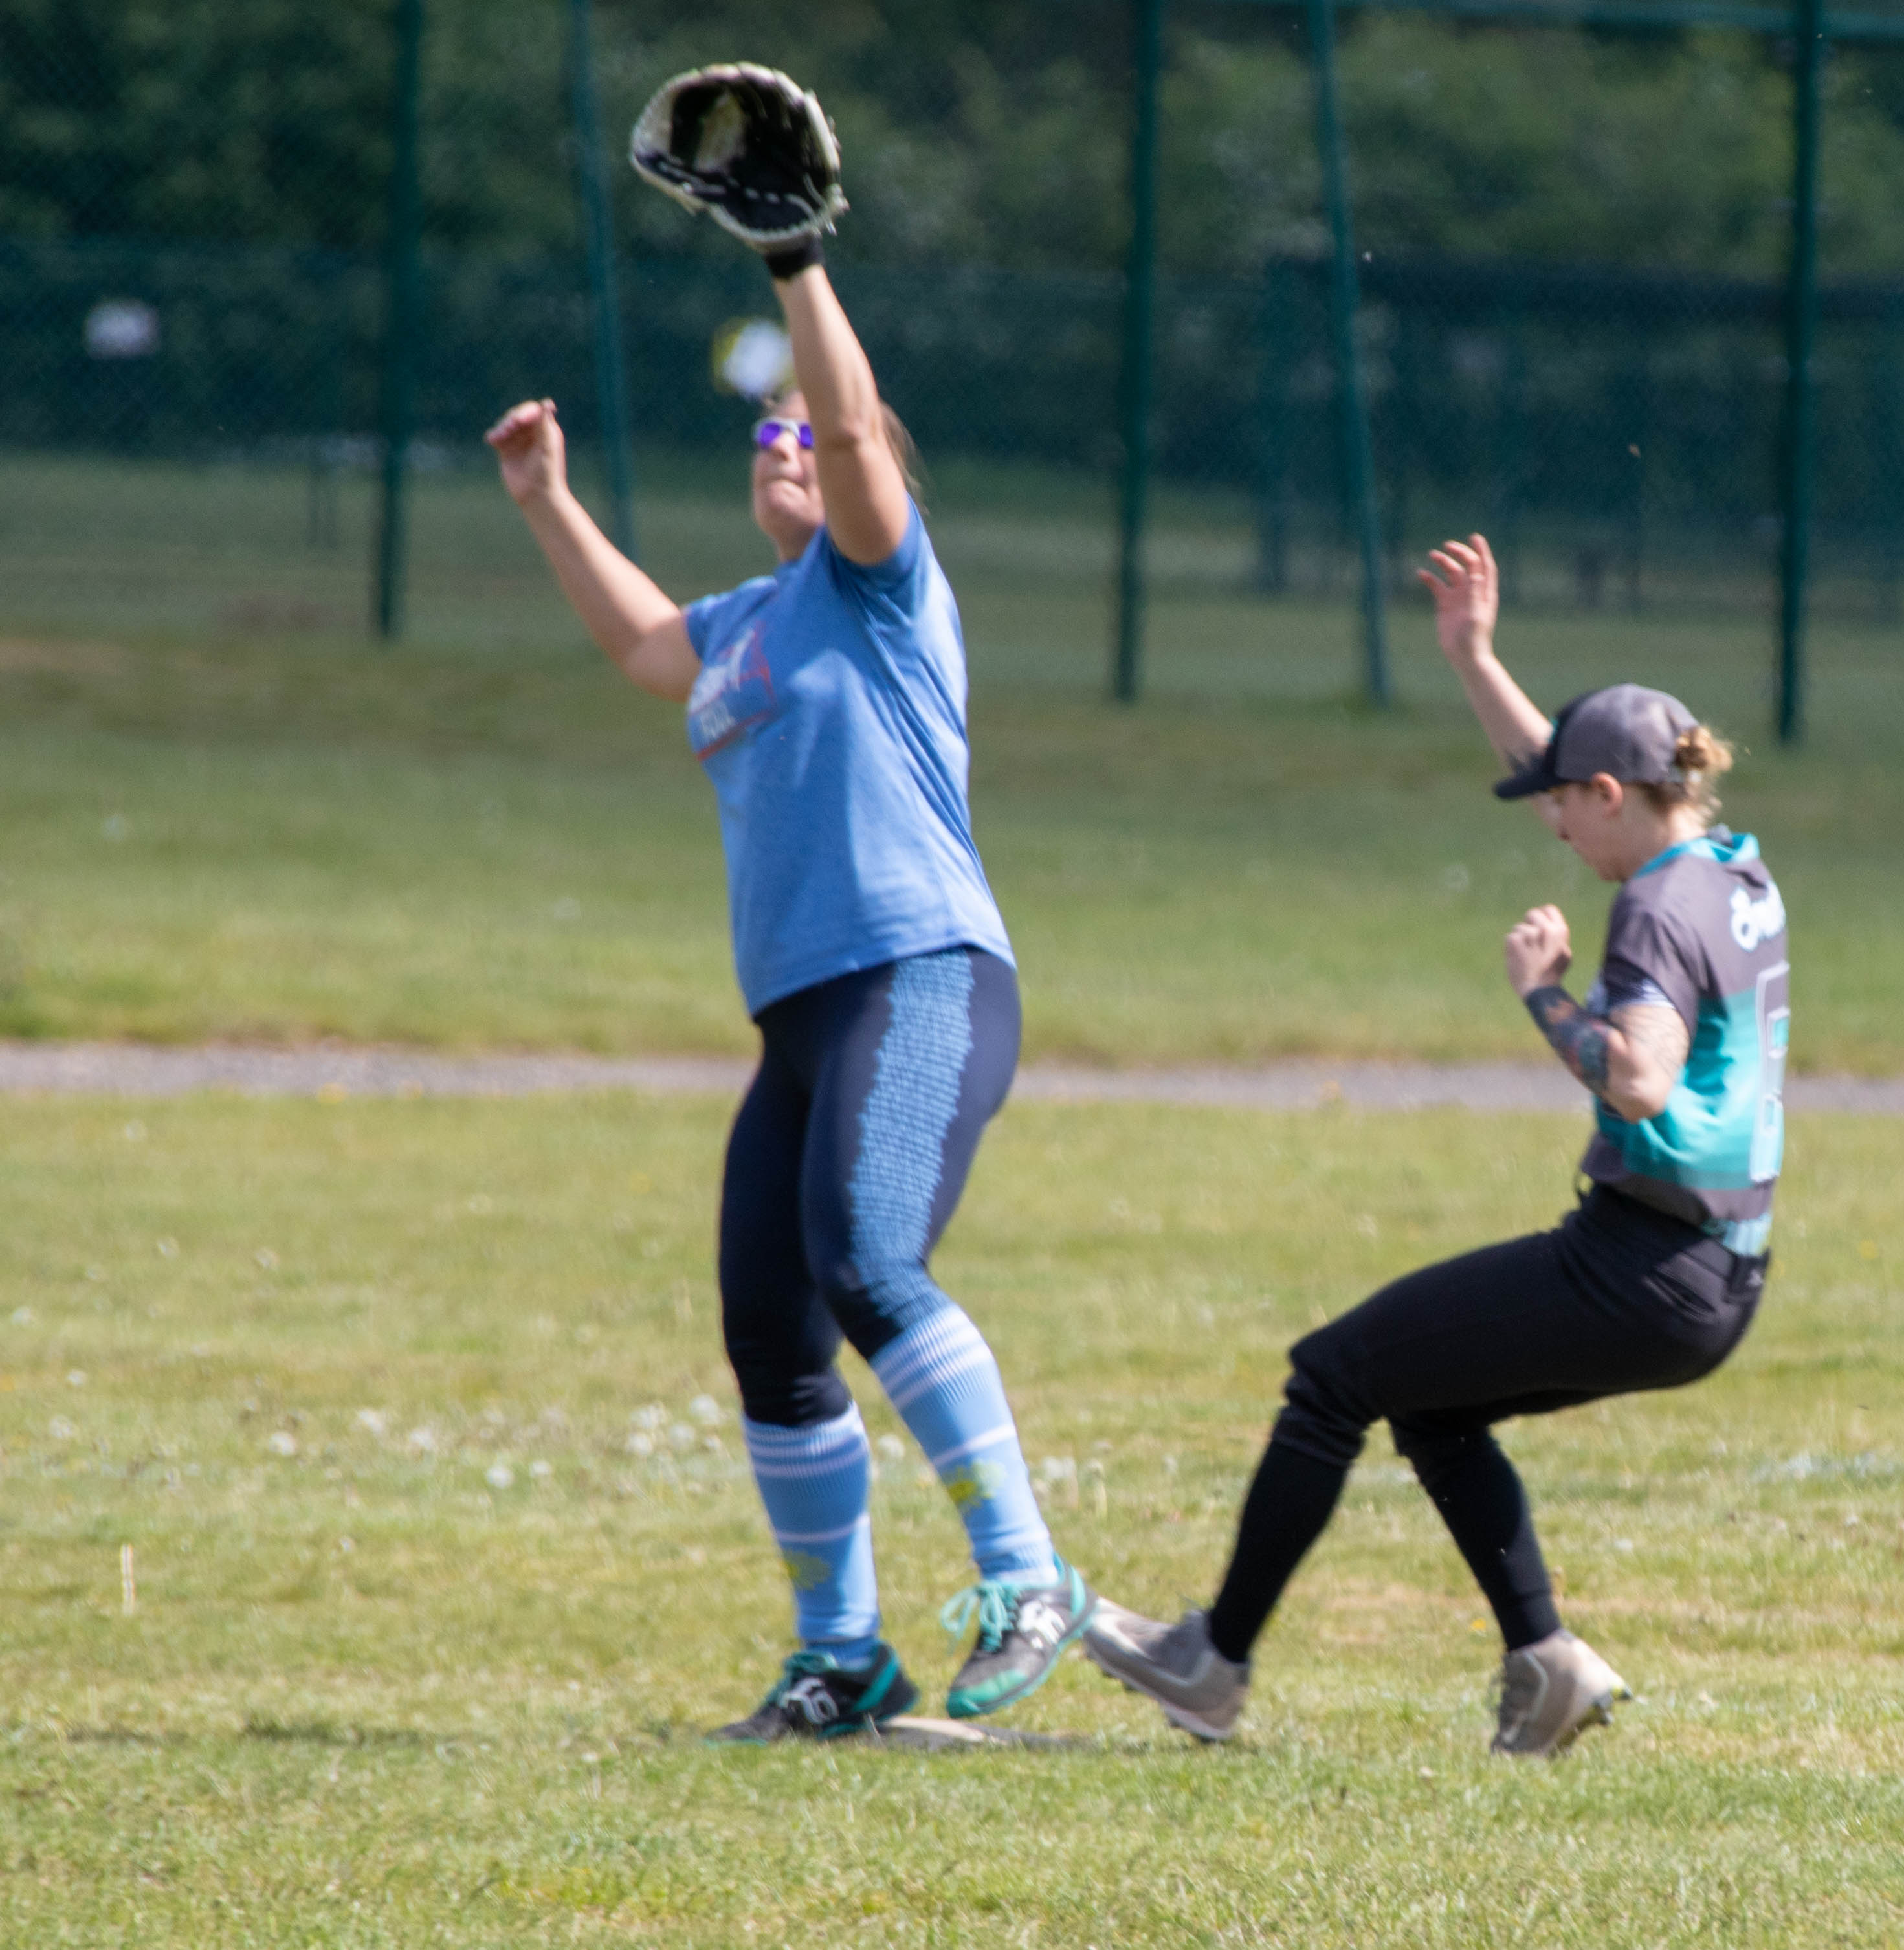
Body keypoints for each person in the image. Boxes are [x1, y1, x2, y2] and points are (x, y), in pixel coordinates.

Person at [485, 240, 1099, 1740]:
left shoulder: (878, 583)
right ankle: (842, 1662)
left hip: (920, 975)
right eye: (768, 435)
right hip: (805, 1020)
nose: (786, 446)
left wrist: (795, 263)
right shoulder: (748, 621)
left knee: (870, 1261)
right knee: (769, 1324)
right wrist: (547, 499)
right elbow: (643, 643)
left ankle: (1029, 1574)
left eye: (809, 436)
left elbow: (849, 421)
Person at [1086, 534, 1788, 1758]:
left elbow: (1637, 1078)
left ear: (1612, 796)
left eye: (1565, 808)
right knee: (1429, 1401)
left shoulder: (1653, 909)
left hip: (1641, 1265)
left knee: (1332, 1376)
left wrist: (1543, 995)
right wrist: (1473, 657)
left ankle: (1211, 1662)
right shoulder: (1730, 871)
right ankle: (1547, 1665)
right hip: (1717, 1273)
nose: (1555, 828)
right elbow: (1573, 769)